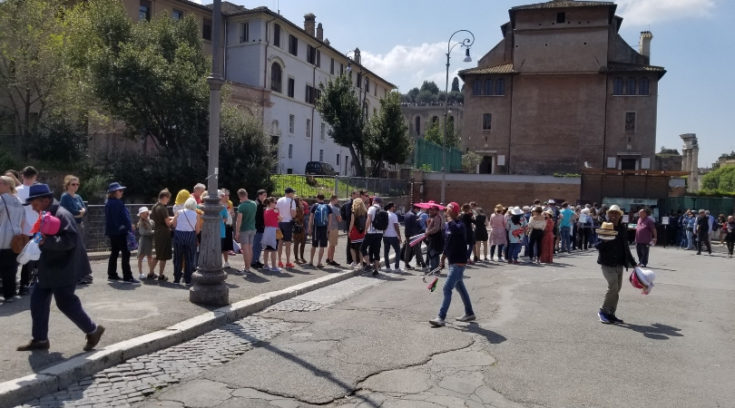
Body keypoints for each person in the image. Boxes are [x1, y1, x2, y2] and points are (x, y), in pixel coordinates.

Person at [17, 184, 105, 351]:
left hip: (65, 268)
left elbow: (70, 241)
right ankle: (40, 339)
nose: (33, 208)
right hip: (50, 267)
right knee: (37, 300)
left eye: (35, 204)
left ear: (46, 200)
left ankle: (93, 330)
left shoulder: (62, 215)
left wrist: (46, 242)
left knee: (65, 302)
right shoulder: (47, 213)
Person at [429, 202, 476, 327]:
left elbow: (458, 230)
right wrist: (443, 258)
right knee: (460, 287)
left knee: (447, 288)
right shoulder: (448, 226)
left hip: (459, 261)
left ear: (455, 211)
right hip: (452, 261)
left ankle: (441, 317)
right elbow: (448, 244)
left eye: (448, 209)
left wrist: (451, 219)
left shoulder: (460, 225)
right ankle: (469, 313)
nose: (446, 211)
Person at [595, 205, 637, 325]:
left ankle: (611, 313)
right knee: (613, 287)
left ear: (620, 216)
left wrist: (634, 263)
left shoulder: (623, 228)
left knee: (617, 289)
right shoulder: (605, 226)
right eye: (611, 214)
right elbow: (596, 245)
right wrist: (604, 241)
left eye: (616, 214)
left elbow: (626, 247)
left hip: (619, 263)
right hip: (607, 263)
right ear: (608, 215)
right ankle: (602, 311)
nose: (613, 216)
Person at [59, 175, 92, 284]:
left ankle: (81, 274)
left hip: (79, 225)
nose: (76, 186)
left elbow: (84, 210)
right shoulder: (65, 197)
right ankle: (75, 275)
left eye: (77, 184)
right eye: (73, 184)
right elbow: (70, 212)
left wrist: (80, 213)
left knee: (80, 250)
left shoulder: (78, 197)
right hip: (70, 227)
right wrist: (80, 213)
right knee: (74, 250)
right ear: (67, 185)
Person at [105, 182, 137, 284]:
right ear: (114, 192)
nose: (122, 192)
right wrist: (129, 227)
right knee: (126, 253)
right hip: (120, 231)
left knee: (114, 252)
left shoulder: (108, 202)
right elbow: (123, 217)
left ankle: (112, 274)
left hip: (112, 232)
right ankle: (127, 276)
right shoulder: (117, 203)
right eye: (120, 190)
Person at [15, 166, 39, 296]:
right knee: (35, 256)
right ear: (35, 177)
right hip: (37, 230)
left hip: (20, 229)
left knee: (21, 257)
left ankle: (21, 285)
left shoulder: (16, 191)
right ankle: (31, 281)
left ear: (22, 176)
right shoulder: (39, 191)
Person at [1, 175, 24, 302]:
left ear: (7, 185)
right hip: (16, 238)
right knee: (11, 267)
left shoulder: (2, 199)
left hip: (2, 237)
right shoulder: (18, 201)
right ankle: (10, 294)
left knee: (4, 267)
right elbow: (23, 221)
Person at [171, 197, 201, 285]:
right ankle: (188, 279)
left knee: (178, 258)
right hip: (190, 236)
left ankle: (176, 279)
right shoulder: (196, 214)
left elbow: (174, 224)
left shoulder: (179, 212)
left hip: (179, 235)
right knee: (189, 258)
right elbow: (198, 230)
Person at [150, 189, 172, 281]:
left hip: (157, 231)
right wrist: (176, 218)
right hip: (164, 233)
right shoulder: (163, 208)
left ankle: (151, 273)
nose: (169, 200)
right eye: (168, 198)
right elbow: (168, 224)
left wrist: (170, 218)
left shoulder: (155, 206)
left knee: (158, 254)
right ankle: (161, 275)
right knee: (163, 256)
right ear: (164, 197)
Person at [235, 188, 257, 274]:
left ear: (239, 196)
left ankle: (246, 268)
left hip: (244, 229)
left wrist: (237, 232)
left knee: (245, 249)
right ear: (246, 194)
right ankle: (248, 267)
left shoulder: (241, 206)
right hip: (252, 228)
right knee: (250, 248)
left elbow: (239, 220)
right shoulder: (253, 203)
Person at [361, 196, 384, 275]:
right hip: (380, 233)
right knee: (376, 251)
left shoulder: (371, 208)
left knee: (363, 247)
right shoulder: (382, 209)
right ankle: (376, 270)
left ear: (374, 201)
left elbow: (369, 219)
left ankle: (368, 264)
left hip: (371, 232)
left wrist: (365, 229)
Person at [308, 194, 331, 268]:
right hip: (324, 227)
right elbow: (330, 219)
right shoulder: (328, 206)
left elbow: (311, 218)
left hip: (316, 227)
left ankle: (311, 261)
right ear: (324, 198)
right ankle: (319, 262)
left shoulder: (314, 206)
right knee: (322, 246)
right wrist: (328, 228)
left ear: (317, 198)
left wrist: (310, 228)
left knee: (314, 245)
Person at [276, 187, 297, 268]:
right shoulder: (292, 201)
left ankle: (279, 261)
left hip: (279, 222)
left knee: (280, 242)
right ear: (289, 193)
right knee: (288, 243)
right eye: (292, 193)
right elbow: (293, 214)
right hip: (288, 223)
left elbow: (276, 211)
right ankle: (288, 262)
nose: (293, 194)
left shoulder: (279, 200)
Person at [402, 204, 425, 270]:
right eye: (418, 210)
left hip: (407, 234)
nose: (418, 211)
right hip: (413, 235)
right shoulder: (414, 215)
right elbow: (416, 226)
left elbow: (409, 224)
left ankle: (406, 264)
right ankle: (423, 264)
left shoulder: (407, 214)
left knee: (408, 249)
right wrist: (418, 221)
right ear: (415, 209)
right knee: (417, 250)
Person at [135, 206, 155, 280]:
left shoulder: (151, 221)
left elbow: (154, 226)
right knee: (141, 257)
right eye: (142, 213)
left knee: (150, 257)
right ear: (140, 215)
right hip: (144, 241)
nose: (145, 215)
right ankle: (140, 273)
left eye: (146, 213)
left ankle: (151, 271)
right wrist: (153, 232)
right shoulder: (141, 223)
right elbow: (143, 232)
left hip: (149, 241)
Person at [381, 202, 401, 272]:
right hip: (393, 236)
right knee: (398, 251)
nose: (395, 208)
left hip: (385, 236)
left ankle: (387, 267)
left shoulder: (384, 214)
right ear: (391, 207)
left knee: (386, 252)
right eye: (394, 207)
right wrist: (399, 236)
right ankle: (396, 267)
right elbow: (396, 227)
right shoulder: (394, 215)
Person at [261, 197, 280, 272]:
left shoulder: (265, 210)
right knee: (273, 249)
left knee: (266, 249)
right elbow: (280, 219)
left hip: (267, 230)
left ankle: (265, 265)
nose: (276, 204)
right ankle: (274, 266)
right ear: (271, 203)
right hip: (273, 230)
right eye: (275, 202)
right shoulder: (275, 211)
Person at [348, 198, 367, 269]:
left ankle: (355, 262)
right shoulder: (365, 212)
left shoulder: (354, 212)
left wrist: (349, 231)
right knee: (360, 249)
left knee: (352, 248)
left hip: (355, 232)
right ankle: (361, 264)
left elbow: (352, 223)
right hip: (362, 232)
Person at [425, 203, 444, 272]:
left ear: (437, 211)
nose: (430, 211)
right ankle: (435, 268)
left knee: (433, 253)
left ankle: (433, 268)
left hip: (435, 238)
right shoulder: (433, 217)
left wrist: (428, 232)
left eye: (432, 210)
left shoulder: (437, 217)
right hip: (434, 237)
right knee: (434, 253)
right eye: (430, 210)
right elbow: (431, 227)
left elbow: (436, 228)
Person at [341, 191, 358, 265]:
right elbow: (345, 216)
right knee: (350, 244)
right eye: (356, 194)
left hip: (356, 226)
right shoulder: (348, 204)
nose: (358, 196)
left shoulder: (356, 204)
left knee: (356, 243)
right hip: (351, 227)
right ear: (353, 195)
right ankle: (349, 259)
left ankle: (355, 259)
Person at [252, 189, 267, 269]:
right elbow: (256, 217)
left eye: (266, 195)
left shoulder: (262, 204)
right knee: (256, 245)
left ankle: (257, 260)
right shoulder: (256, 204)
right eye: (264, 195)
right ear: (259, 195)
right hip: (257, 227)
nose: (265, 197)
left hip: (261, 227)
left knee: (259, 245)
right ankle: (253, 261)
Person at [326, 195, 342, 267]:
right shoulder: (335, 209)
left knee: (330, 244)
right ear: (334, 199)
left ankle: (328, 258)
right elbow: (339, 220)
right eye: (337, 199)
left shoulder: (326, 206)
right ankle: (331, 260)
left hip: (326, 228)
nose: (337, 201)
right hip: (333, 228)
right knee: (333, 245)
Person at [220, 189, 234, 268]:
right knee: (220, 244)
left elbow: (232, 213)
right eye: (226, 195)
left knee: (227, 245)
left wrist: (232, 214)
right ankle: (219, 262)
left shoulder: (230, 203)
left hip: (228, 225)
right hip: (222, 225)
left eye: (228, 195)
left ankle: (226, 262)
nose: (228, 197)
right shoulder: (219, 204)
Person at [292, 196, 307, 264]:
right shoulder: (296, 208)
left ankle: (302, 257)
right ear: (297, 202)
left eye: (302, 200)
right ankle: (296, 258)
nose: (302, 201)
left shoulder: (302, 208)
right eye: (300, 200)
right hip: (297, 228)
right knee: (296, 244)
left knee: (303, 243)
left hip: (302, 227)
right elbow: (294, 218)